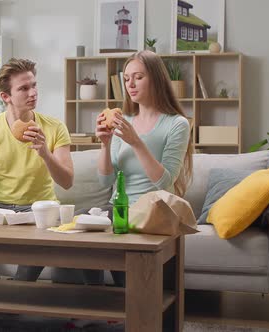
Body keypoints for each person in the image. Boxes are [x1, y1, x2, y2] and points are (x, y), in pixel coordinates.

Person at [0, 58, 74, 282]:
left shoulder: (54, 127)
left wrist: (45, 154)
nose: (33, 93)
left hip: (40, 208)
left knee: (48, 229)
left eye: (34, 85)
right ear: (6, 96)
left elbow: (67, 181)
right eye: (24, 88)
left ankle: (19, 287)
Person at [96, 50, 193, 286]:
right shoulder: (123, 120)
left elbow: (165, 181)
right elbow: (106, 182)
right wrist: (106, 144)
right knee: (79, 244)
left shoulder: (176, 124)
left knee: (134, 278)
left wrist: (136, 142)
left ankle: (127, 306)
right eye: (127, 78)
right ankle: (96, 309)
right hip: (119, 211)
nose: (130, 84)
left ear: (156, 79)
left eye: (138, 77)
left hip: (153, 213)